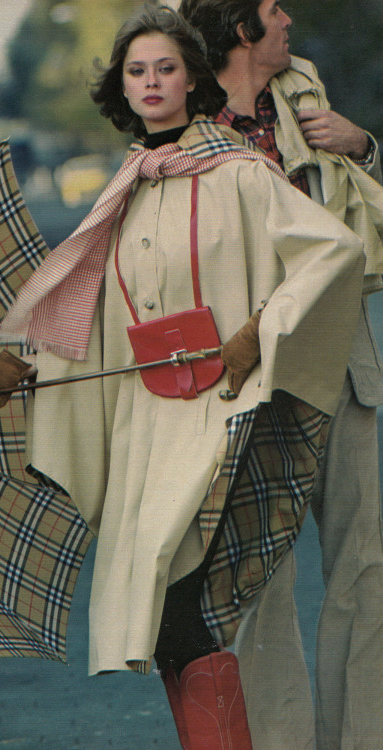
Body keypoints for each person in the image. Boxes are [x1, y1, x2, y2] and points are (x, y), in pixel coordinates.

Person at [0, 6, 366, 749]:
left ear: (192, 80)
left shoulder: (240, 171)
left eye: (165, 68)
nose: (149, 82)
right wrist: (21, 364)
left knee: (192, 613)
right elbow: (96, 306)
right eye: (135, 71)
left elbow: (332, 252)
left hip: (228, 419)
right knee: (174, 621)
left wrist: (258, 332)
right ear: (120, 86)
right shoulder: (131, 186)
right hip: (154, 430)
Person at [179, 1, 383, 748]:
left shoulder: (304, 93)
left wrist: (362, 147)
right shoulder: (188, 126)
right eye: (272, 8)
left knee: (363, 566)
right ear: (240, 29)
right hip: (251, 370)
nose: (288, 17)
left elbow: (354, 213)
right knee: (259, 578)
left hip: (340, 354)